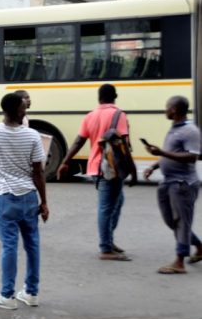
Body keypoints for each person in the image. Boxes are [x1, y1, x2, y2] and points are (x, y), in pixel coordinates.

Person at [0, 92, 49, 310]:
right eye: (23, 109)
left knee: (9, 245)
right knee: (32, 245)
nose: (25, 112)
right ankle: (31, 292)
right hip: (29, 197)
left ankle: (7, 296)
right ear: (15, 111)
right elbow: (38, 172)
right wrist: (44, 202)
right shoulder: (32, 136)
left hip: (5, 197)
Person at [58, 84, 138, 261]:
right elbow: (123, 145)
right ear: (115, 96)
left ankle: (108, 240)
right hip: (111, 168)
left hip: (96, 167)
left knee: (116, 202)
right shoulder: (119, 115)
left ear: (99, 98)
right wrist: (133, 171)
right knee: (107, 208)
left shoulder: (90, 115)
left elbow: (79, 141)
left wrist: (64, 162)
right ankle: (105, 248)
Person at [143, 96, 202, 274]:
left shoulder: (190, 130)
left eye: (167, 107)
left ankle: (179, 261)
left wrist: (160, 152)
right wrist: (154, 165)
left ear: (174, 109)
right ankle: (199, 246)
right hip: (168, 181)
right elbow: (171, 153)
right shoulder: (175, 128)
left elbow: (192, 156)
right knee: (171, 221)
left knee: (181, 222)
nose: (165, 110)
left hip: (183, 184)